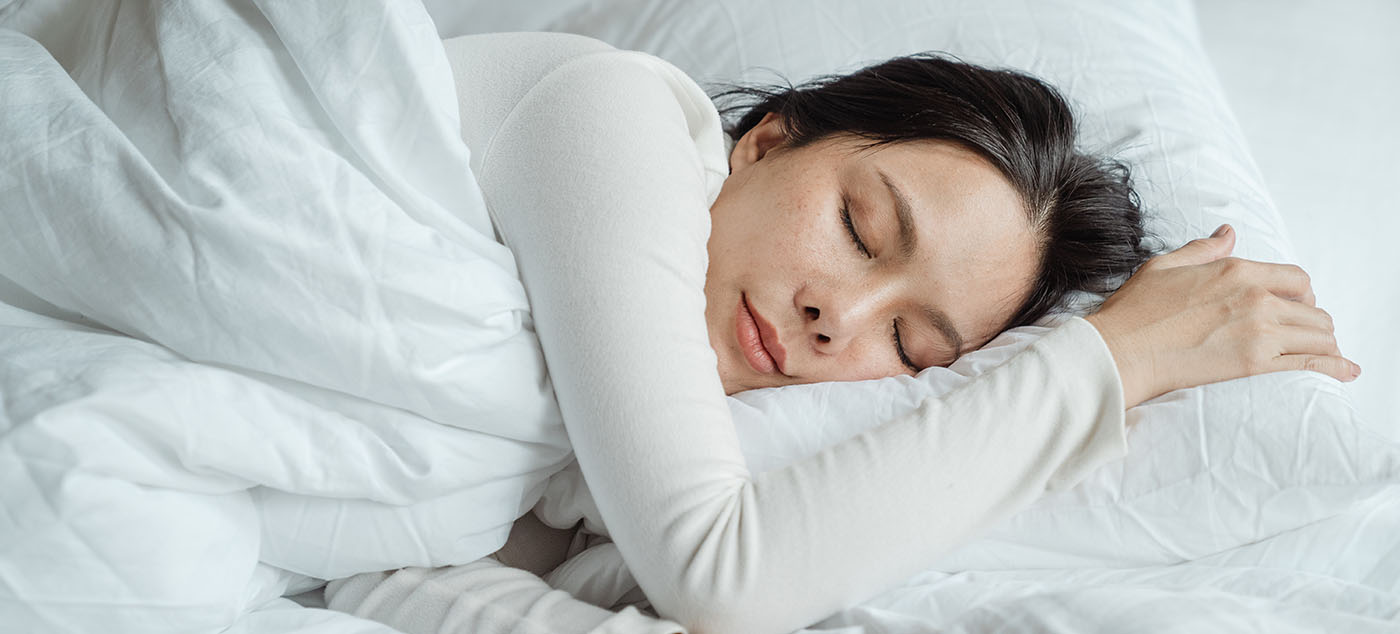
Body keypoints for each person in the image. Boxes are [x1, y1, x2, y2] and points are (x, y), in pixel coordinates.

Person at [326, 31, 1357, 634]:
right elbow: (720, 569)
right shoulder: (607, 115)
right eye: (860, 230)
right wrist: (1109, 360)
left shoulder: (563, 457)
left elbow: (367, 567)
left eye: (911, 349)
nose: (837, 318)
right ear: (764, 142)